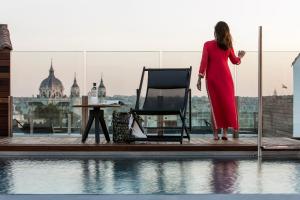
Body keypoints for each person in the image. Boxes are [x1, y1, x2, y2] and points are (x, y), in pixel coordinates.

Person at [197, 21, 245, 140]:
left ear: (216, 32)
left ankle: (216, 135)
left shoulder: (208, 44)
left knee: (216, 106)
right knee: (226, 105)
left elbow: (204, 62)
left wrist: (199, 77)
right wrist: (240, 57)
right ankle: (224, 133)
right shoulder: (227, 45)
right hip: (225, 79)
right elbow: (235, 61)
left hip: (213, 79)